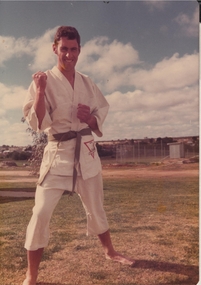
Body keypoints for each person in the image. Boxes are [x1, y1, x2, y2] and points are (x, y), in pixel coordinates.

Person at [22, 26, 135, 285]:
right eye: (64, 49)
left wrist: (90, 118)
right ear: (55, 49)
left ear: (80, 50)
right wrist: (39, 91)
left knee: (96, 207)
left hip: (86, 152)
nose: (69, 54)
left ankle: (110, 252)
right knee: (39, 213)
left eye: (74, 49)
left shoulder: (87, 82)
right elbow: (37, 123)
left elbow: (100, 114)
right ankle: (31, 275)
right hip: (57, 154)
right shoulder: (43, 80)